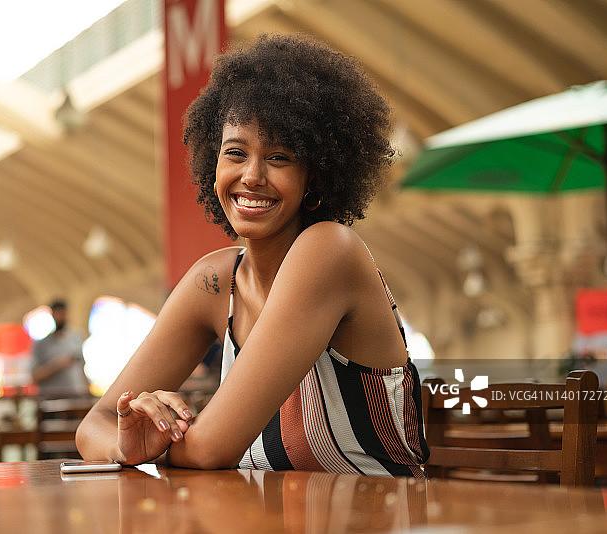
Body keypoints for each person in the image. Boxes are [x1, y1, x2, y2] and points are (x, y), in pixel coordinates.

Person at [76, 34, 429, 477]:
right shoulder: (214, 280)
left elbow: (209, 451)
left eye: (279, 157)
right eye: (236, 153)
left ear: (315, 175)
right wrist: (128, 444)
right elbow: (95, 425)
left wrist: (155, 446)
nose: (252, 176)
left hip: (375, 518)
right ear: (213, 165)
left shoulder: (330, 251)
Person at [31, 299, 90, 398]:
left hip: (76, 397)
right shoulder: (41, 345)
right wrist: (58, 365)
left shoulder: (76, 338)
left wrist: (87, 391)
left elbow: (81, 368)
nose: (60, 317)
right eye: (57, 314)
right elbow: (34, 376)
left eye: (63, 314)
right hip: (52, 398)